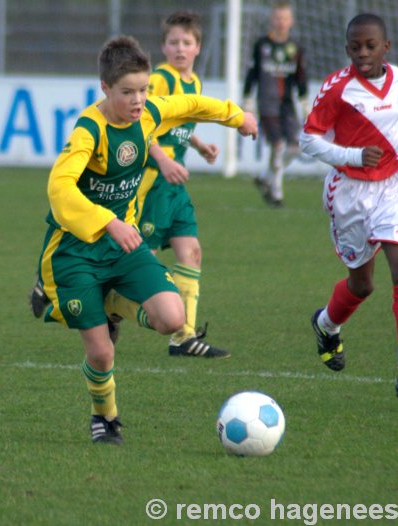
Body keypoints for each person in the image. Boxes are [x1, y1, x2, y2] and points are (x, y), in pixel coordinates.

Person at [35, 35, 257, 445]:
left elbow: (190, 105)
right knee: (102, 354)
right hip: (76, 252)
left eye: (143, 89)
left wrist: (236, 116)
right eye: (127, 93)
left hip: (123, 248)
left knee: (172, 319)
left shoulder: (149, 113)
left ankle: (111, 301)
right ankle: (105, 417)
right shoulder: (89, 130)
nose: (138, 100)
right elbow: (60, 188)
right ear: (104, 88)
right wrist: (107, 222)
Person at [300, 13, 398, 402]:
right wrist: (353, 155)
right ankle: (326, 325)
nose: (363, 53)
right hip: (350, 193)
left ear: (386, 47)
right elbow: (308, 140)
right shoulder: (337, 89)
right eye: (355, 47)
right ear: (347, 50)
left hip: (392, 185)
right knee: (363, 284)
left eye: (370, 46)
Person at [135, 10, 229, 359]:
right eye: (172, 42)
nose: (179, 48)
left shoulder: (195, 84)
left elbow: (178, 122)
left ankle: (184, 338)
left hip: (174, 186)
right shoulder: (160, 79)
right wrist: (163, 158)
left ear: (198, 47)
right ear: (163, 47)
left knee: (191, 251)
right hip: (152, 182)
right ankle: (98, 302)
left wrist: (198, 144)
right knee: (141, 260)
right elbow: (142, 125)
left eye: (186, 42)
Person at [242, 1, 308, 207]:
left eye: (285, 18)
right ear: (272, 20)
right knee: (278, 146)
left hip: (287, 104)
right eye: (278, 18)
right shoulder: (262, 45)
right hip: (267, 103)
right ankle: (276, 193)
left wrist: (305, 102)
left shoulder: (295, 48)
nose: (281, 22)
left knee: (294, 148)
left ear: (291, 22)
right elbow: (252, 73)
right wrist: (248, 99)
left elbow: (301, 77)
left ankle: (265, 177)